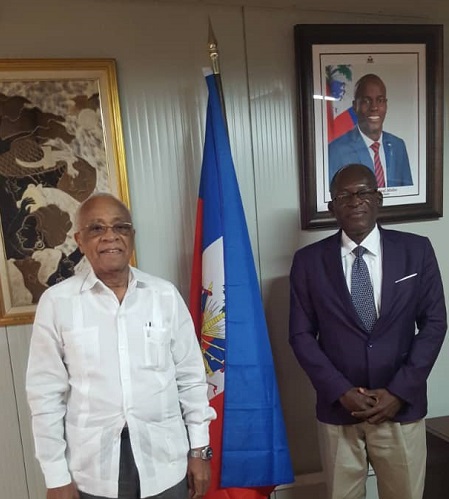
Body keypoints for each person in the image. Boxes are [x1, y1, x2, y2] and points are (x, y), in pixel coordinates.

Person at [26, 192, 216, 499]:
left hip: (165, 462)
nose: (110, 236)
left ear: (132, 236)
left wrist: (200, 449)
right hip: (92, 471)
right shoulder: (57, 303)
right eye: (96, 228)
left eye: (120, 227)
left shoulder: (164, 296)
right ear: (79, 240)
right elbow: (45, 396)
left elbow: (191, 380)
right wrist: (56, 475)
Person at [289, 164, 447, 499]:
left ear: (378, 199)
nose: (354, 201)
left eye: (363, 192)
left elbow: (434, 323)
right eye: (344, 196)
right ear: (332, 207)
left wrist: (399, 391)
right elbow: (301, 335)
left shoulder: (416, 251)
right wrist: (341, 390)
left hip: (400, 408)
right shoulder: (308, 262)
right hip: (338, 410)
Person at [328, 74, 413, 187]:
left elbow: (408, 192)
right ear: (355, 106)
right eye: (366, 101)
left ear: (386, 105)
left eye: (380, 100)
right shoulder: (335, 151)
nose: (374, 107)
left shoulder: (398, 146)